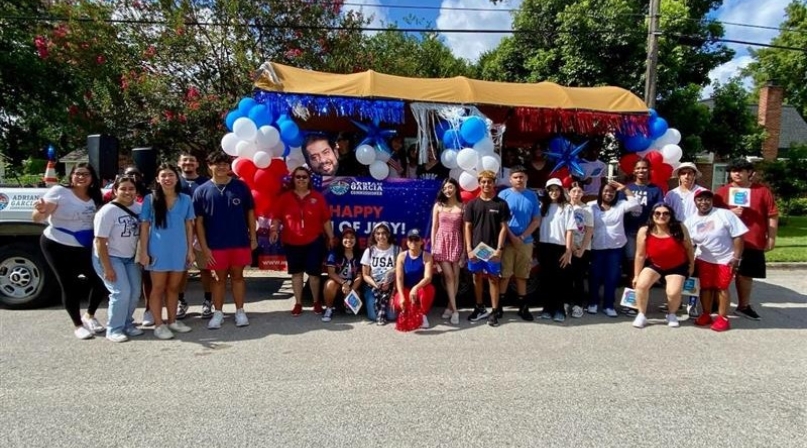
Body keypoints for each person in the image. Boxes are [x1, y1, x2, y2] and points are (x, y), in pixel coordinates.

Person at [33, 163, 107, 339]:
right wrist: (41, 210)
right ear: (71, 176)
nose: (81, 177)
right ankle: (78, 325)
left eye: (86, 174)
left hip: (84, 245)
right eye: (78, 174)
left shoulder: (96, 196)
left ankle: (89, 315)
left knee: (101, 280)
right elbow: (38, 218)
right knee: (69, 284)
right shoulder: (59, 192)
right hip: (57, 244)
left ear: (92, 178)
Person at [193, 151, 257, 329]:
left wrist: (253, 237)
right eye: (217, 164)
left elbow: (250, 213)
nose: (221, 167)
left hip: (239, 241)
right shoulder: (201, 191)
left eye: (224, 164)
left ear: (229, 167)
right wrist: (204, 247)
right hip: (215, 244)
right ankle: (218, 313)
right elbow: (198, 223)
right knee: (218, 279)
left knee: (238, 277)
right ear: (209, 166)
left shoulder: (241, 187)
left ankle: (240, 311)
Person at [715, 158, 778, 321]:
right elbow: (712, 215)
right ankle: (717, 302)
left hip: (752, 239)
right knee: (723, 272)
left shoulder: (762, 191)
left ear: (749, 173)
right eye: (733, 170)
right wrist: (730, 212)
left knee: (745, 275)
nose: (736, 173)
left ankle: (743, 306)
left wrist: (771, 237)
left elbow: (772, 215)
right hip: (727, 240)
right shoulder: (722, 192)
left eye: (741, 170)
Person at [139, 164, 195, 340]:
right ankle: (158, 324)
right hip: (158, 250)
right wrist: (143, 251)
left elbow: (188, 226)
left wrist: (190, 250)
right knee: (157, 288)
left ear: (177, 178)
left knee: (173, 288)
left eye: (171, 175)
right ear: (157, 179)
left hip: (179, 250)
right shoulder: (150, 199)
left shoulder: (186, 199)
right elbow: (145, 226)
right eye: (163, 176)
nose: (167, 179)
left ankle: (172, 321)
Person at [269, 166, 334, 316]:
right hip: (291, 241)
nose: (301, 179)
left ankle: (316, 302)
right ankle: (298, 303)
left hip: (314, 241)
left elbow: (325, 220)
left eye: (304, 177)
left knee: (314, 274)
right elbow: (277, 218)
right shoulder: (285, 198)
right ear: (293, 179)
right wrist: (274, 230)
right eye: (298, 177)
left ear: (309, 179)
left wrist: (330, 237)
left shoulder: (317, 197)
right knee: (296, 274)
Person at [685, 189, 748, 332]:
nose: (703, 202)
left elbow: (738, 236)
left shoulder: (725, 214)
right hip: (704, 258)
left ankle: (722, 318)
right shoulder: (690, 220)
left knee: (722, 288)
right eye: (700, 200)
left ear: (712, 201)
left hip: (725, 259)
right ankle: (706, 314)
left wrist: (736, 257)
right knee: (706, 287)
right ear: (695, 202)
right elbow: (688, 243)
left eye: (707, 199)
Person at [91, 175, 143, 342]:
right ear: (115, 191)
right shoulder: (107, 212)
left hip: (130, 258)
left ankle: (127, 323)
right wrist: (107, 268)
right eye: (123, 189)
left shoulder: (140, 208)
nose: (128, 192)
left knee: (134, 292)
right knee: (121, 292)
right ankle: (114, 328)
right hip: (111, 257)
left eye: (131, 189)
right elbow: (100, 241)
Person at [631, 203, 695, 329]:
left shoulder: (679, 227)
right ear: (652, 215)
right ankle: (641, 314)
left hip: (677, 266)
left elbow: (689, 248)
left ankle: (671, 314)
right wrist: (636, 275)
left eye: (666, 213)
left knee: (673, 292)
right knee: (641, 285)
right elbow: (640, 255)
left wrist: (692, 265)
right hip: (655, 265)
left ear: (671, 216)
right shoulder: (644, 230)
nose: (662, 216)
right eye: (658, 213)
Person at [464, 170, 510, 327]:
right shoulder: (472, 204)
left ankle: (495, 310)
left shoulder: (501, 204)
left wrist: (499, 249)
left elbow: (504, 228)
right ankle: (479, 307)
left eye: (489, 182)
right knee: (476, 277)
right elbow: (467, 227)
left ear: (493, 183)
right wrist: (469, 248)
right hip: (476, 249)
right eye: (483, 182)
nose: (486, 184)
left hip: (492, 250)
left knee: (493, 279)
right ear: (479, 183)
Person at [587, 180, 639, 317]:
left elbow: (635, 204)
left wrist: (624, 188)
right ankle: (593, 302)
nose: (608, 194)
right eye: (606, 191)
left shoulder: (620, 205)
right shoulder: (591, 206)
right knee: (595, 276)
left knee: (612, 277)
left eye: (611, 191)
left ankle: (609, 305)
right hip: (597, 246)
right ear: (600, 193)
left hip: (615, 248)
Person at [621, 158, 664, 315]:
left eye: (644, 168)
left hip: (649, 232)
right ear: (633, 171)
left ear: (649, 170)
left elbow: (660, 211)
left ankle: (641, 301)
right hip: (630, 232)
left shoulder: (656, 190)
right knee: (632, 267)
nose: (641, 171)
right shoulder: (627, 189)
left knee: (647, 269)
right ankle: (630, 302)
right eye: (638, 168)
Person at [497, 166, 541, 321]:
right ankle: (498, 307)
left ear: (526, 178)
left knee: (522, 275)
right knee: (505, 275)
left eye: (522, 177)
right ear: (510, 179)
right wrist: (512, 236)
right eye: (516, 177)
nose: (519, 179)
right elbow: (501, 220)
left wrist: (522, 237)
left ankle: (523, 308)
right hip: (507, 241)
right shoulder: (503, 194)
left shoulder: (532, 196)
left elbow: (536, 220)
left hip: (525, 241)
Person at [176, 150, 213, 320]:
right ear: (179, 163)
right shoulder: (173, 182)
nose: (188, 163)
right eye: (185, 161)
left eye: (192, 161)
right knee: (182, 270)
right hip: (179, 233)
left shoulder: (206, 182)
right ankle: (181, 301)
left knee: (205, 269)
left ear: (198, 164)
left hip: (202, 232)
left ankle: (208, 301)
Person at [537, 178, 576, 322]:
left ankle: (559, 309)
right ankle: (547, 308)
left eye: (556, 189)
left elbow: (570, 230)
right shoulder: (542, 207)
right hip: (544, 246)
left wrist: (568, 251)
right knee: (546, 279)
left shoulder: (567, 207)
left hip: (560, 248)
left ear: (561, 191)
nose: (554, 192)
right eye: (551, 190)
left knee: (560, 279)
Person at [430, 178, 464, 325]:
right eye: (445, 189)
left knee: (456, 276)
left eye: (450, 187)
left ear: (456, 188)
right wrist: (433, 246)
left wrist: (464, 252)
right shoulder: (438, 206)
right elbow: (434, 227)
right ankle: (455, 311)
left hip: (457, 242)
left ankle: (450, 307)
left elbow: (464, 230)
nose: (448, 190)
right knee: (449, 277)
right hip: (441, 242)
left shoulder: (463, 206)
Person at [394, 228, 435, 330]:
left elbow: (428, 278)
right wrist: (402, 296)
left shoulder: (427, 256)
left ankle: (422, 314)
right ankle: (410, 311)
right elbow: (399, 278)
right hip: (407, 290)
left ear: (421, 241)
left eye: (416, 239)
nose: (413, 242)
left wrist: (416, 288)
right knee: (398, 301)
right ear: (407, 242)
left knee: (429, 289)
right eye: (410, 239)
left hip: (420, 290)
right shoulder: (402, 256)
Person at [361, 222, 400, 325]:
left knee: (392, 316)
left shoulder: (397, 250)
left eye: (383, 233)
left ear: (388, 234)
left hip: (391, 287)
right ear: (374, 235)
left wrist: (390, 284)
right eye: (377, 233)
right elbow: (365, 275)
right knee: (373, 316)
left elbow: (400, 272)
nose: (380, 236)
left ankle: (386, 306)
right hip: (373, 286)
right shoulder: (369, 251)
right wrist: (376, 285)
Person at [322, 226, 363, 322]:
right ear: (341, 239)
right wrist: (343, 283)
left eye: (352, 237)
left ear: (356, 240)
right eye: (346, 237)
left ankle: (346, 306)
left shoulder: (360, 255)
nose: (349, 240)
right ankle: (329, 309)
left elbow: (359, 276)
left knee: (356, 296)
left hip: (352, 286)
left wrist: (350, 291)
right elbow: (331, 273)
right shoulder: (334, 253)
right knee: (329, 284)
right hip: (338, 284)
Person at [568, 182, 593, 318]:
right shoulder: (565, 207)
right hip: (567, 247)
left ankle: (578, 305)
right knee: (566, 277)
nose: (576, 194)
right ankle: (565, 302)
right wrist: (571, 246)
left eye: (579, 191)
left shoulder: (587, 209)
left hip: (583, 248)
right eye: (574, 191)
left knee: (579, 277)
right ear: (569, 193)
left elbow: (589, 230)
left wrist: (582, 249)